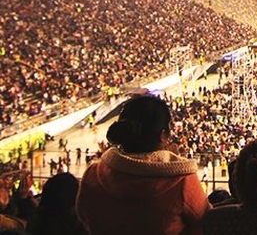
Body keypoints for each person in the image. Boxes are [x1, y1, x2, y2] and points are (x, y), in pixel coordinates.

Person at [76, 95, 209, 235]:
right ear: (163, 134)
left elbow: (84, 215)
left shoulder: (93, 173)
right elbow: (204, 221)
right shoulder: (182, 179)